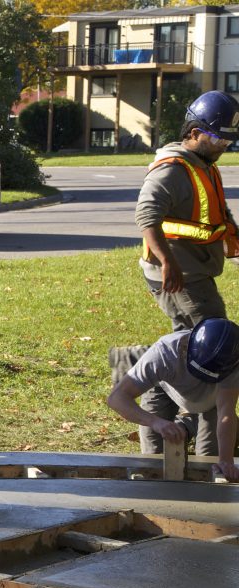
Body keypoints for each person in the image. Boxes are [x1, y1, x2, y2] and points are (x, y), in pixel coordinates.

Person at [132, 89, 239, 454]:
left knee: (189, 351)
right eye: (218, 138)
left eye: (228, 140)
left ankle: (168, 443)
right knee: (216, 354)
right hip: (181, 277)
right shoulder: (172, 170)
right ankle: (209, 455)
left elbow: (215, 216)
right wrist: (168, 262)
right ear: (194, 132)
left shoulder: (203, 166)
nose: (224, 145)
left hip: (195, 272)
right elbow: (146, 216)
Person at [107, 318, 239, 483]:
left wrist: (225, 460)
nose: (201, 380)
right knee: (153, 462)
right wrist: (155, 422)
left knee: (209, 463)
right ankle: (186, 424)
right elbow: (116, 398)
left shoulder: (232, 360)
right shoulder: (164, 352)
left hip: (211, 404)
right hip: (164, 389)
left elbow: (226, 412)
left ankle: (186, 425)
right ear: (186, 348)